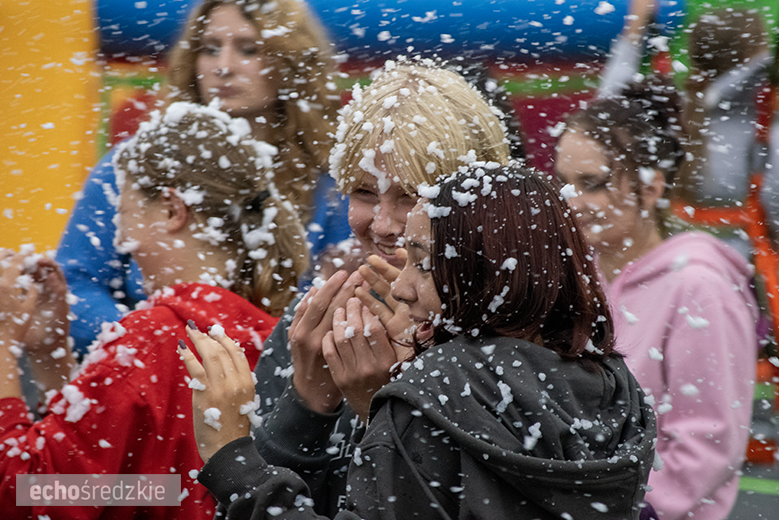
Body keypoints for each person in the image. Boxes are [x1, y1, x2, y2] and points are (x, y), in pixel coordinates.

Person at [180, 165, 657, 519]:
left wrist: (235, 460)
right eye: (363, 192)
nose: (403, 287)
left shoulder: (436, 390)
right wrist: (381, 415)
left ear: (486, 273)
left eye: (424, 263)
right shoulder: (621, 390)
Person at [0, 102, 308, 519]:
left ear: (171, 210)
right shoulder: (272, 335)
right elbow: (142, 487)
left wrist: (3, 343)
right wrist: (50, 354)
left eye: (123, 214)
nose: (121, 238)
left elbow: (25, 493)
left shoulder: (152, 338)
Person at [245, 60, 512, 516]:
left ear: (476, 202)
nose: (383, 224)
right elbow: (250, 502)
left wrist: (394, 398)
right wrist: (308, 403)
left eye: (411, 195)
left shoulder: (513, 331)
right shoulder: (318, 317)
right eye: (365, 192)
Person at [56, 0, 348, 354]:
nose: (223, 67)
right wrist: (156, 341)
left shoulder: (334, 182)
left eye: (249, 49)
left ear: (291, 62)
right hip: (144, 369)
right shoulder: (131, 163)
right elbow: (74, 286)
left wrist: (253, 352)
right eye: (209, 49)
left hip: (281, 381)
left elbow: (336, 303)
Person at [555, 77, 758, 520]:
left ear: (651, 188)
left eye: (592, 183)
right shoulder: (574, 274)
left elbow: (708, 444)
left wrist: (634, 510)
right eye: (564, 183)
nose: (572, 202)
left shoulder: (699, 287)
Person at [600, 0, 777, 254]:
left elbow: (608, 110)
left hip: (676, 264)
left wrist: (635, 31)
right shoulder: (765, 129)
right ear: (755, 62)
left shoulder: (667, 118)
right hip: (750, 275)